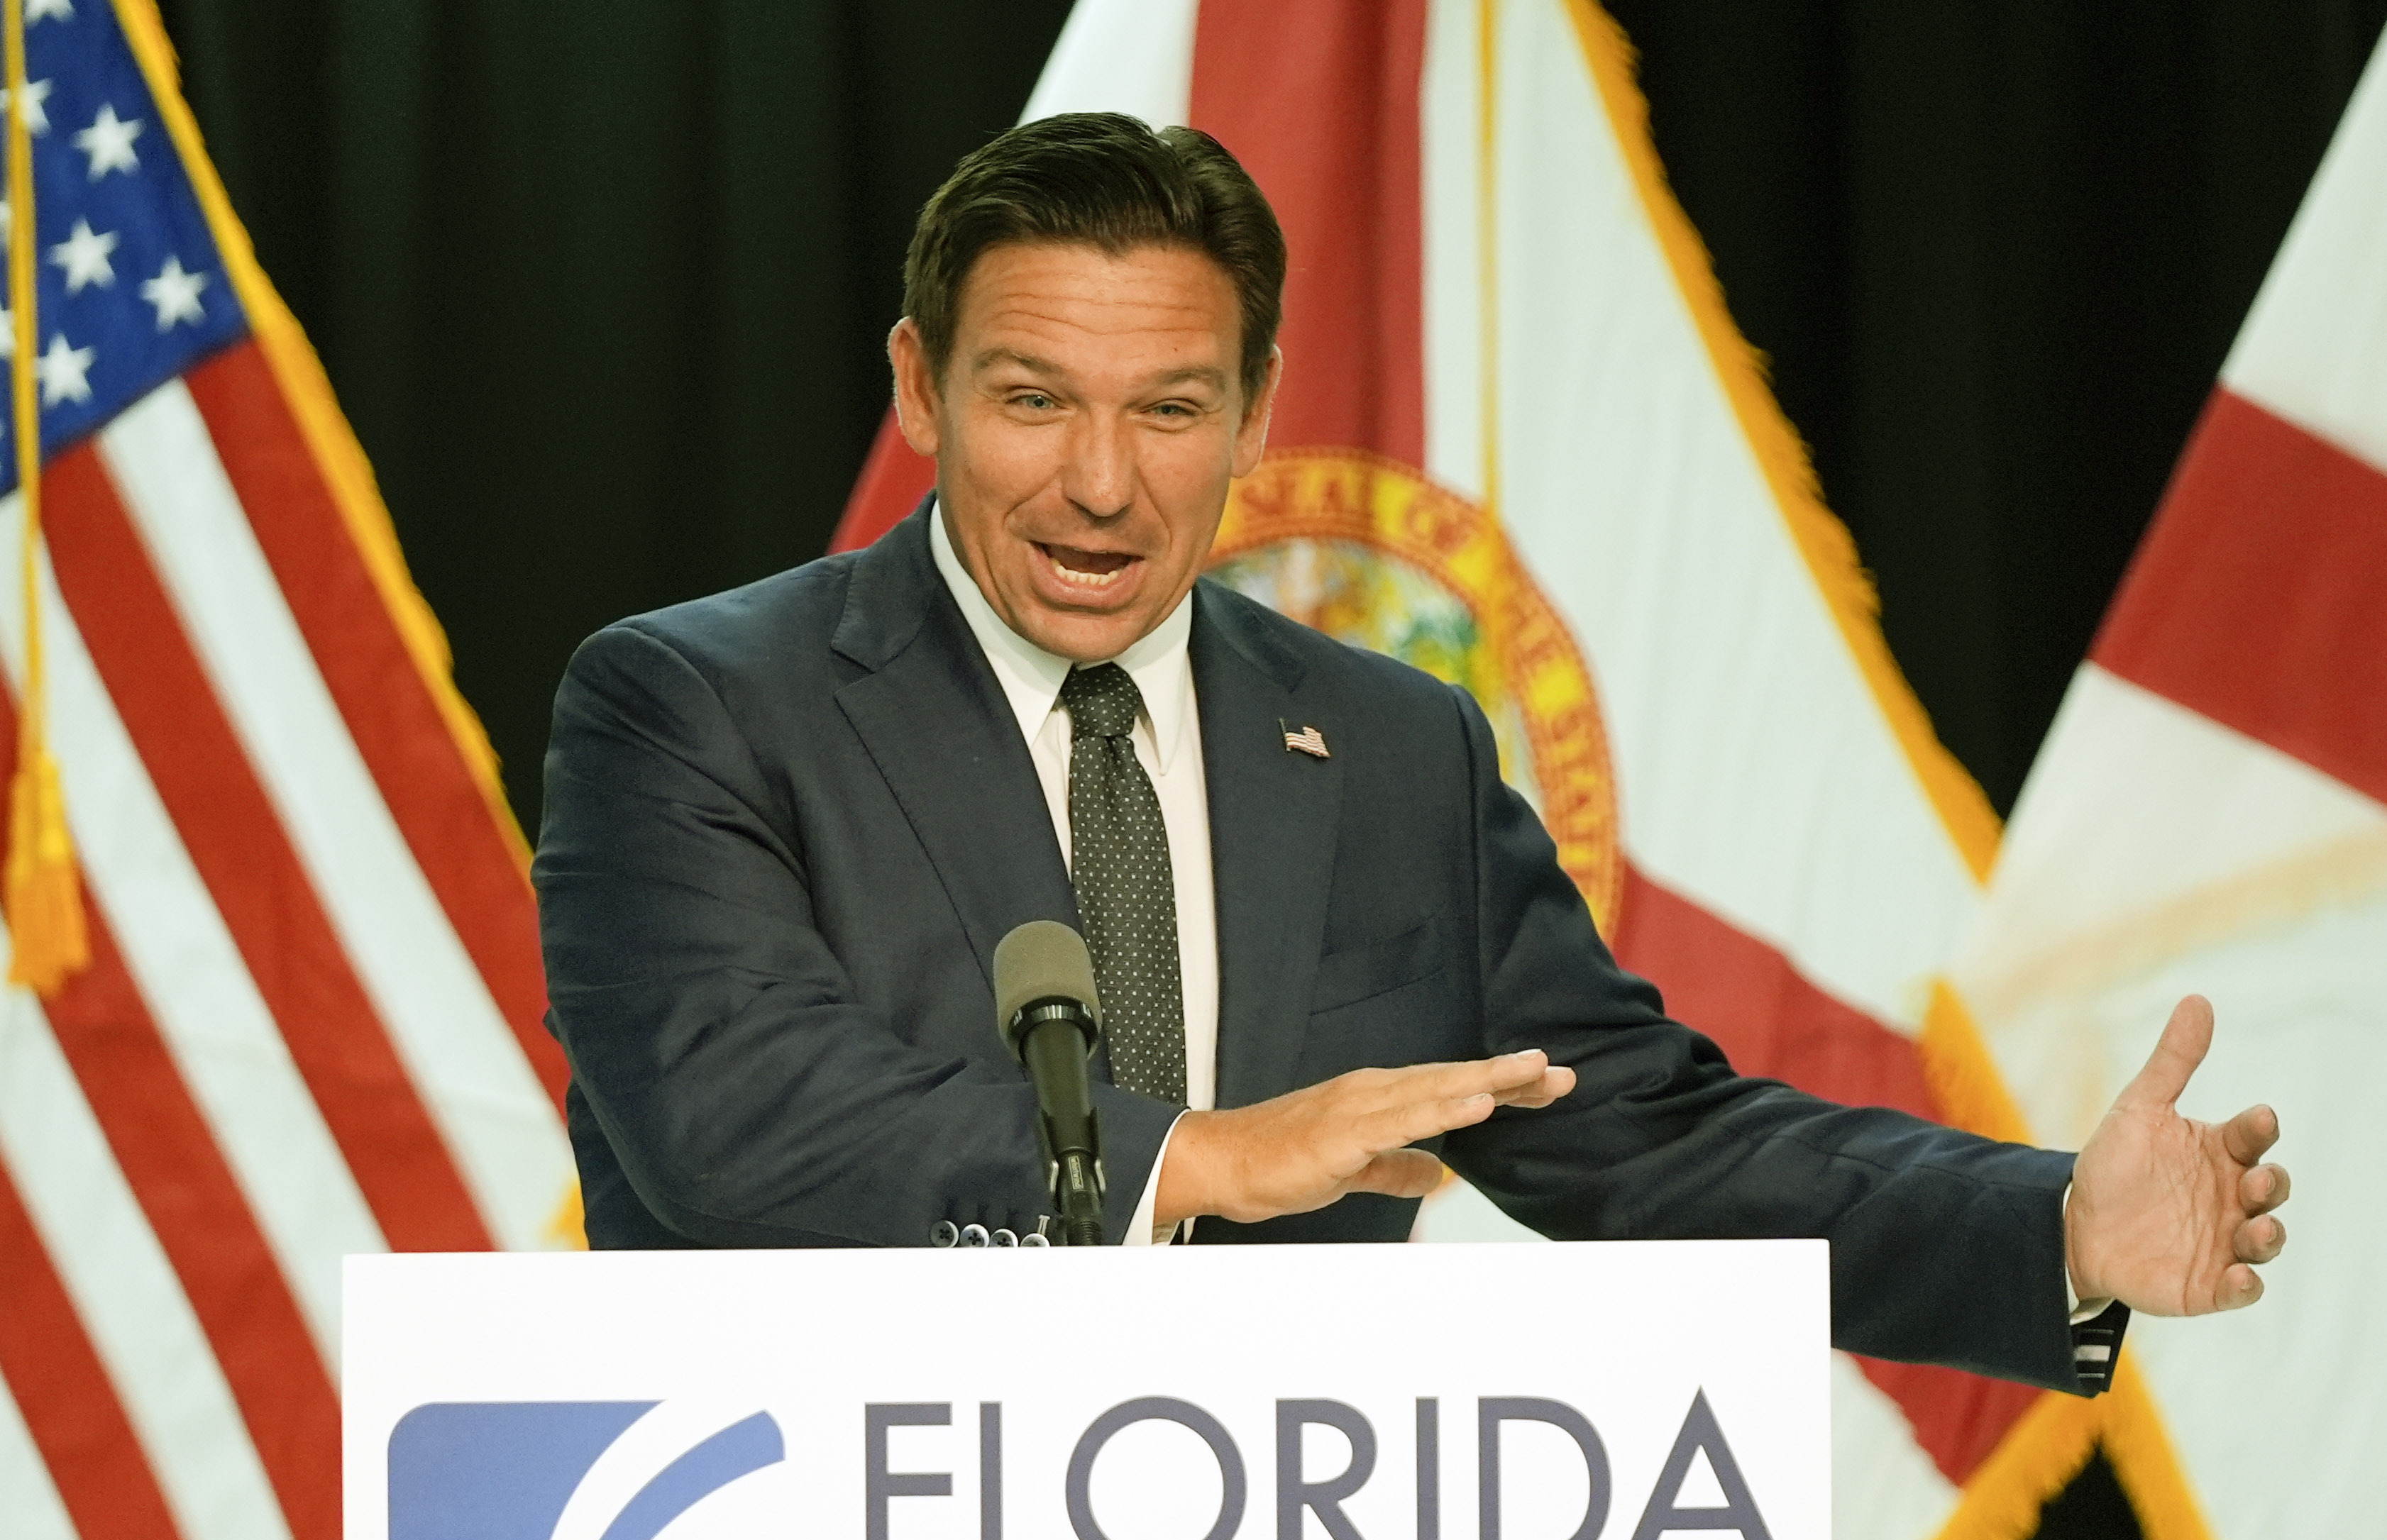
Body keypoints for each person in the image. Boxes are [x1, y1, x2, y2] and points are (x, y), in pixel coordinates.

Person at [534, 112, 2290, 1394]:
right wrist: (1198, 1158)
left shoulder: (1389, 749)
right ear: (919, 388)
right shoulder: (692, 704)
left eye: (1165, 408)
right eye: (1029, 400)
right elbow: (734, 1118)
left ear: (1256, 411)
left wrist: (2048, 1227)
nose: (1096, 481)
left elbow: (1640, 1142)